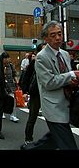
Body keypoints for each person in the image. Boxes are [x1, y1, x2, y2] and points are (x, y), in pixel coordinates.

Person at [34, 20, 78, 150]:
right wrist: (71, 75)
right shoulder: (41, 57)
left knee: (52, 141)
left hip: (67, 103)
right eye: (53, 35)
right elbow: (49, 82)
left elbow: (66, 78)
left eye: (60, 34)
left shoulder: (64, 54)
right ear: (46, 38)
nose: (58, 38)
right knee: (68, 145)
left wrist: (73, 81)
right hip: (53, 107)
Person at [20, 42, 46, 149]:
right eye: (43, 50)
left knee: (53, 118)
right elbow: (25, 78)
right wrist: (25, 92)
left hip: (48, 94)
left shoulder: (53, 61)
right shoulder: (34, 63)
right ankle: (28, 139)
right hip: (36, 93)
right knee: (32, 117)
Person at [1, 52, 19, 122]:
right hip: (2, 86)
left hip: (11, 85)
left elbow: (14, 74)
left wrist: (16, 81)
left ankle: (13, 115)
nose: (6, 59)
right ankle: (2, 112)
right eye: (5, 58)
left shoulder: (11, 66)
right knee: (2, 99)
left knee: (13, 101)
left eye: (7, 58)